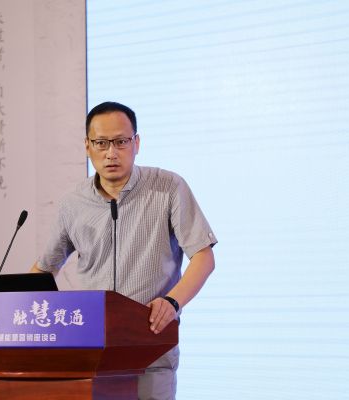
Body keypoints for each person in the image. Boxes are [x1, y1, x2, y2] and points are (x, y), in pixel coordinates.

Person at [30, 101, 217, 400]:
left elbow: (203, 257)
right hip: (90, 348)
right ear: (87, 146)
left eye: (121, 142)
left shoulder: (168, 187)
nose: (111, 152)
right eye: (101, 143)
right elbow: (45, 269)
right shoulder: (72, 204)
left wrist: (172, 302)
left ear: (136, 143)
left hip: (150, 343)